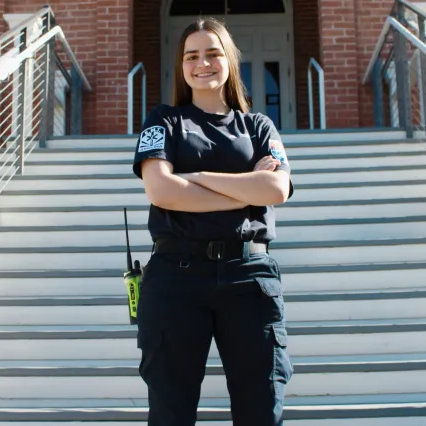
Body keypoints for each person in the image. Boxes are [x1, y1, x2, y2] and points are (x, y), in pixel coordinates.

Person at [131, 16, 294, 426]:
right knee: (171, 411)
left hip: (249, 276)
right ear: (181, 66)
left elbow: (275, 191)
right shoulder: (163, 120)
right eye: (192, 56)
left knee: (261, 408)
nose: (202, 63)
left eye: (213, 53)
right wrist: (245, 185)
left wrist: (196, 178)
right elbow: (162, 192)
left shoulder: (258, 126)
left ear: (229, 61)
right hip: (176, 278)